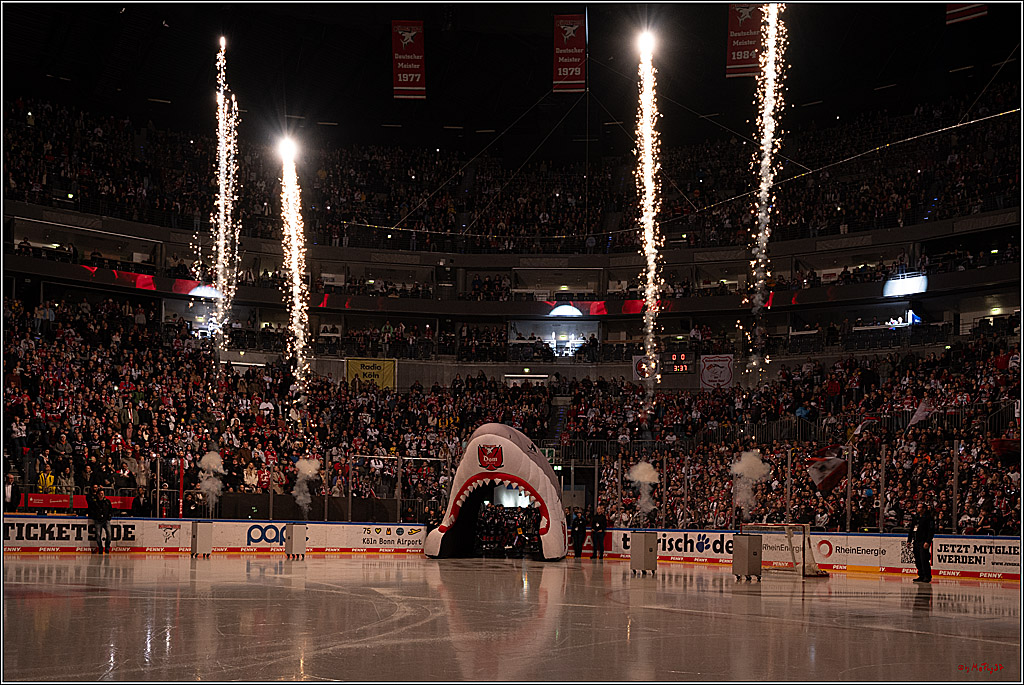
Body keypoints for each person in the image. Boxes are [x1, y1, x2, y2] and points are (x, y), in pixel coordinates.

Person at [907, 500, 934, 583]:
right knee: (917, 559)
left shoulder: (928, 518)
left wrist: (928, 541)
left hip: (923, 541)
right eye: (917, 507)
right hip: (916, 540)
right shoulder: (916, 517)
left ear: (924, 509)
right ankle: (921, 575)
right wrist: (909, 540)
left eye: (919, 507)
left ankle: (927, 576)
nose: (918, 509)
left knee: (924, 559)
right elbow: (911, 529)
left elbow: (931, 531)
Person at [90, 488, 114, 554]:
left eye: (102, 494)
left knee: (109, 534)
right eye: (100, 493)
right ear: (98, 494)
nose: (101, 495)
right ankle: (100, 548)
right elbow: (91, 510)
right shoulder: (94, 502)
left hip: (106, 520)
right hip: (98, 521)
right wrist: (95, 517)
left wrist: (109, 517)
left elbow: (110, 510)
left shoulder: (107, 501)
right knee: (98, 535)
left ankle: (107, 548)